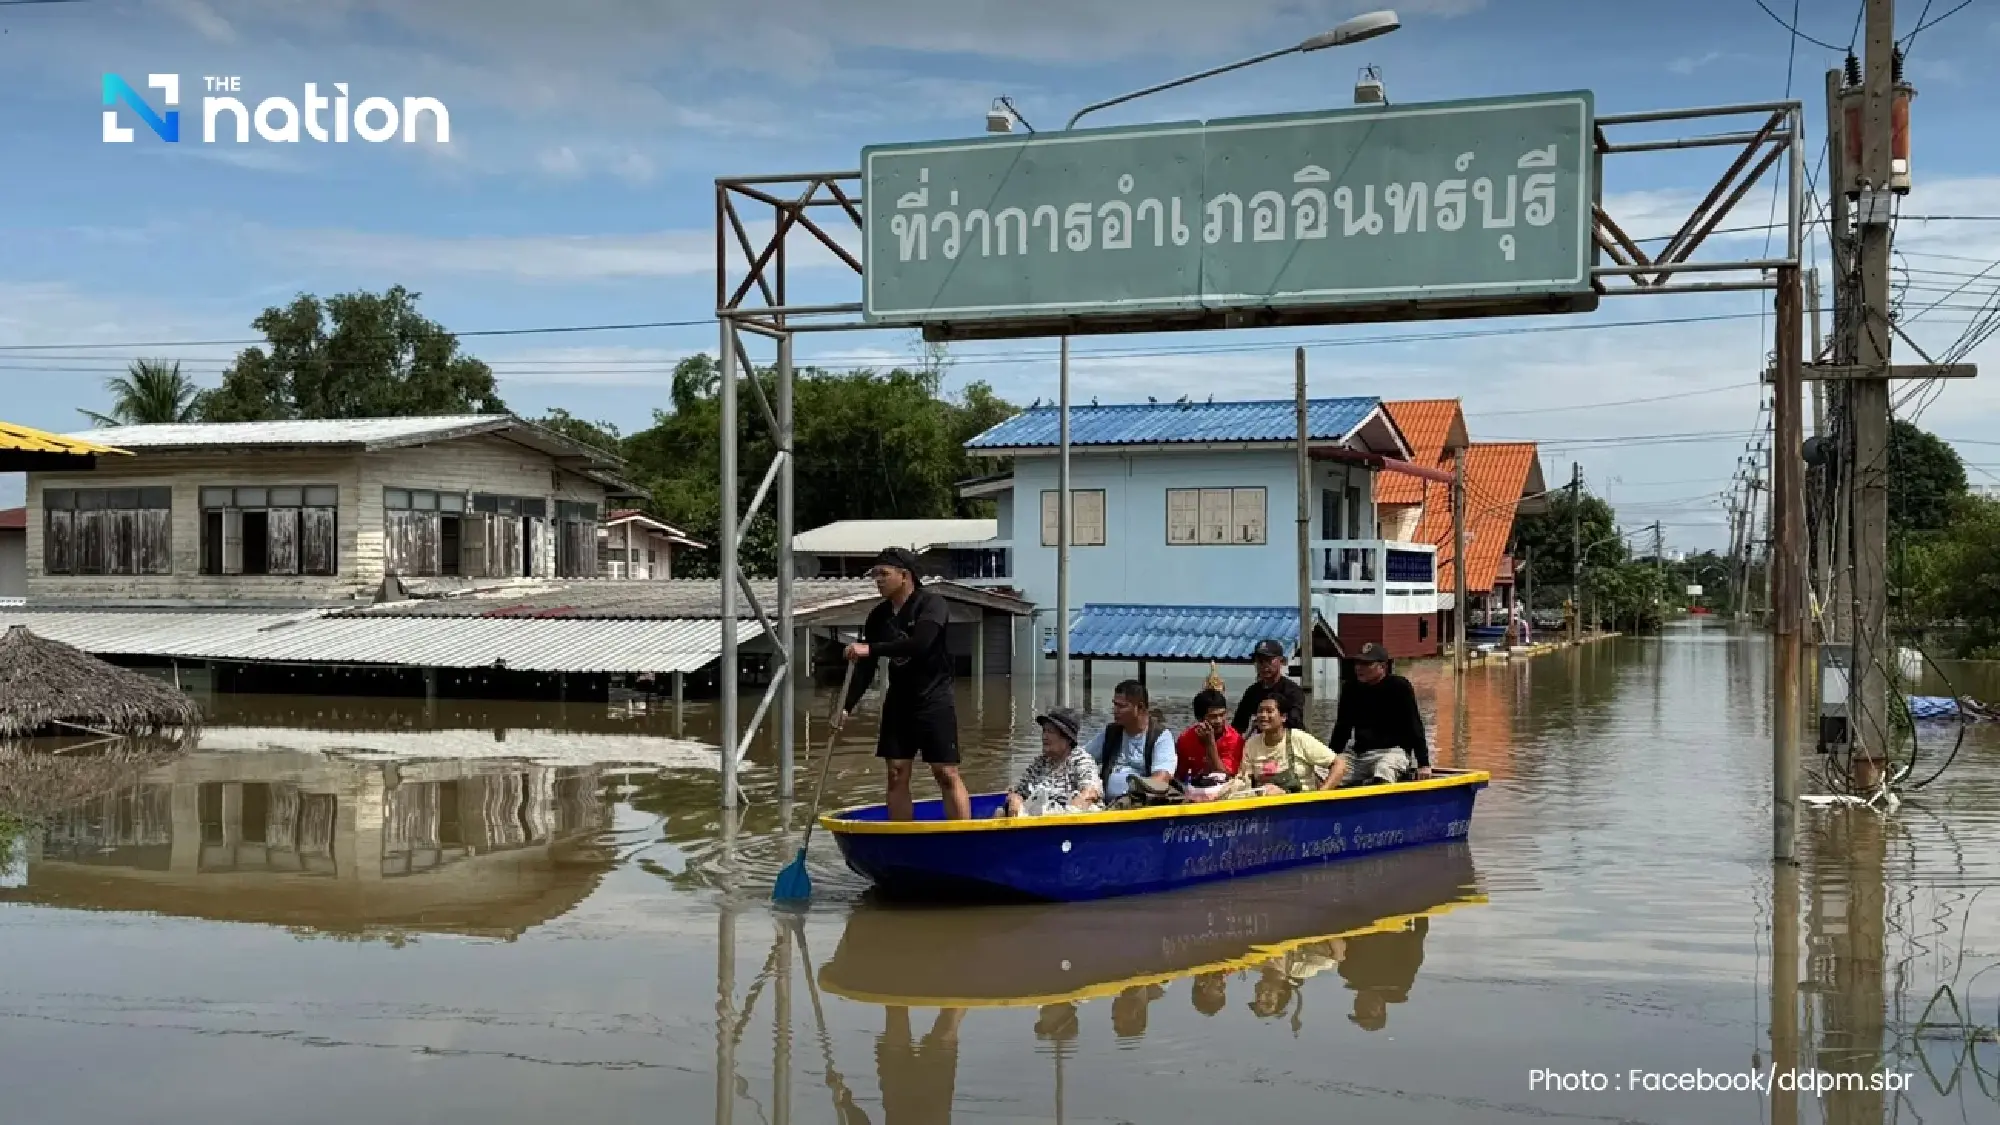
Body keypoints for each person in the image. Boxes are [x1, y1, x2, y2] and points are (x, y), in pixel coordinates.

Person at [840, 547, 971, 821]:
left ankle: (963, 835)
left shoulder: (931, 604)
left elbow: (920, 644)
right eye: (875, 575)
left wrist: (871, 648)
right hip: (900, 701)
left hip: (934, 698)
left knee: (945, 772)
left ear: (904, 576)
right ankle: (901, 834)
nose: (878, 580)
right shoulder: (878, 616)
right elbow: (865, 668)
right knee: (896, 772)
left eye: (883, 574)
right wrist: (845, 706)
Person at [1325, 642, 1432, 787]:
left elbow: (1414, 725)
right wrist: (1329, 758)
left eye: (1366, 664)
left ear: (1382, 666)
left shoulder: (1399, 687)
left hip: (1393, 751)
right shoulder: (1350, 688)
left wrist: (1423, 763)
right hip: (1359, 754)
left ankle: (1382, 805)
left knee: (1384, 769)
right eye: (1357, 663)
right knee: (1322, 772)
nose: (1358, 668)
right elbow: (1342, 728)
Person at [1226, 695, 1341, 798]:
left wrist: (1320, 795)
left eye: (1269, 711)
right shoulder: (1251, 744)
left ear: (1283, 717)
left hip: (1301, 806)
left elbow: (1339, 764)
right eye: (1260, 711)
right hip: (1264, 807)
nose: (1263, 715)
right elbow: (1245, 780)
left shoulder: (1299, 738)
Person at [1085, 680, 1177, 806]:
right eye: (1115, 705)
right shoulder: (1111, 733)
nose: (1115, 711)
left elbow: (1161, 780)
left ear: (1140, 707)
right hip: (1105, 805)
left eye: (1121, 706)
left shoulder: (1160, 737)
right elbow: (1083, 757)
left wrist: (1130, 795)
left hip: (1139, 806)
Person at [1003, 707, 1102, 817]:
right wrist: (1015, 800)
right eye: (1044, 731)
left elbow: (1091, 793)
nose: (1044, 736)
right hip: (1041, 823)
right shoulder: (1041, 762)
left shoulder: (1081, 761)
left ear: (1068, 738)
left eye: (1050, 732)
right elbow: (1019, 791)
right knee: (1001, 812)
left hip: (1071, 826)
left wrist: (1068, 813)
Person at [1175, 672, 1244, 785]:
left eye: (1222, 715)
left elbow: (1224, 778)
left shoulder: (1234, 740)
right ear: (1199, 718)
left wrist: (1210, 744)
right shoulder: (1185, 739)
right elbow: (1180, 776)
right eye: (1213, 716)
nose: (1219, 721)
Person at [1232, 638, 1306, 737]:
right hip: (1259, 744)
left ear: (1281, 661)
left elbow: (1295, 723)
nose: (1264, 665)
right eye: (1260, 661)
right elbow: (1238, 726)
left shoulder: (1292, 691)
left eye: (1268, 660)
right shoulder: (1252, 692)